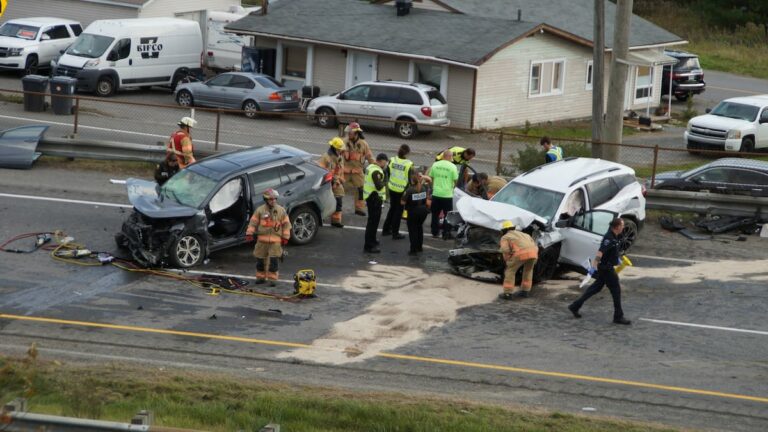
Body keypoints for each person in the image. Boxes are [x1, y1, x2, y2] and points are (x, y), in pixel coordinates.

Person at [568, 217, 632, 325]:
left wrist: (617, 259)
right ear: (617, 227)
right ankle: (618, 316)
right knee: (616, 290)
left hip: (606, 268)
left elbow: (611, 252)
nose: (623, 227)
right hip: (607, 269)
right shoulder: (609, 238)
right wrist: (593, 267)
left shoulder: (614, 236)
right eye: (622, 225)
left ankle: (575, 306)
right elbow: (600, 253)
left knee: (594, 288)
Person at [245, 189, 292, 287]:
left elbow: (286, 225)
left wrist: (286, 237)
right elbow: (253, 223)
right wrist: (249, 233)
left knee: (274, 261)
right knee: (260, 260)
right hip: (262, 241)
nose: (273, 201)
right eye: (271, 199)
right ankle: (260, 277)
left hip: (276, 241)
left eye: (275, 199)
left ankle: (272, 279)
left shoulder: (281, 210)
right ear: (266, 200)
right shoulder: (260, 210)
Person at [498, 221, 539, 300]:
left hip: (520, 254)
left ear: (503, 230)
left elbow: (505, 250)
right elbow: (533, 244)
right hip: (534, 253)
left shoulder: (505, 237)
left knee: (510, 271)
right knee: (528, 271)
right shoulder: (525, 234)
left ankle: (508, 293)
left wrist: (508, 261)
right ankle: (525, 291)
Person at [342, 122, 375, 217]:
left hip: (358, 172)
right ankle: (334, 208)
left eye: (351, 132)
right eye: (348, 132)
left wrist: (376, 166)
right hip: (345, 171)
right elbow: (336, 154)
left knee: (361, 190)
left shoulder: (363, 144)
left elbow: (369, 156)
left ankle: (359, 209)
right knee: (337, 189)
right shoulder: (344, 142)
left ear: (356, 133)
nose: (349, 134)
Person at [382, 144, 413, 240]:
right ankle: (395, 233)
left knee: (392, 209)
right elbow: (409, 179)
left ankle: (386, 229)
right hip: (401, 190)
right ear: (407, 153)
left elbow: (388, 172)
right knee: (398, 212)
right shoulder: (408, 164)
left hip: (392, 188)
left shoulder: (392, 160)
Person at [428, 149, 459, 239]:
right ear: (450, 157)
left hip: (436, 193)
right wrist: (453, 188)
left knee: (435, 214)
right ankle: (446, 233)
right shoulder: (453, 167)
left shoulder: (435, 164)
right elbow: (455, 180)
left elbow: (431, 178)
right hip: (447, 195)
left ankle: (434, 232)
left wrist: (434, 187)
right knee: (447, 215)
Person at [363, 153, 389, 253]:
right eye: (385, 162)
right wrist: (385, 180)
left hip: (371, 197)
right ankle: (369, 246)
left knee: (373, 222)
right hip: (374, 199)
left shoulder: (370, 166)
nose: (385, 165)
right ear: (381, 161)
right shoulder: (376, 171)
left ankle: (372, 240)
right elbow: (379, 186)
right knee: (373, 223)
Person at [401, 171, 431, 256]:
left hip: (413, 212)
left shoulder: (409, 190)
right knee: (419, 228)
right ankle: (419, 247)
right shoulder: (424, 188)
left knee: (412, 230)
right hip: (423, 211)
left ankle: (413, 250)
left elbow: (402, 202)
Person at [318, 137, 346, 228]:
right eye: (339, 149)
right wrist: (332, 182)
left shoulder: (340, 157)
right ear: (334, 148)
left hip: (336, 182)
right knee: (324, 201)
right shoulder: (326, 157)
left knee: (338, 200)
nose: (341, 151)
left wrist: (340, 180)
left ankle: (336, 220)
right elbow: (322, 171)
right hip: (327, 183)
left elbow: (340, 170)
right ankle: (320, 218)